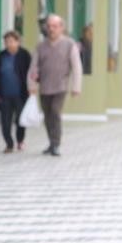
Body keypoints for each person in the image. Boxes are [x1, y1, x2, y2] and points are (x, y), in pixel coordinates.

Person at [28, 14, 82, 156]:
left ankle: (56, 144)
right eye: (49, 26)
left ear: (61, 28)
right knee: (47, 115)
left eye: (55, 26)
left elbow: (76, 67)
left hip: (61, 86)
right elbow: (33, 67)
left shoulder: (70, 44)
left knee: (55, 112)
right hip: (45, 86)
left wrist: (76, 87)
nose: (51, 29)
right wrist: (31, 84)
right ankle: (51, 142)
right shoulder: (40, 46)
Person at [0, 30, 31, 153]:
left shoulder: (25, 55)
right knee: (5, 122)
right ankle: (9, 143)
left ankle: (20, 141)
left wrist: (31, 88)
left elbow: (30, 73)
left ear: (18, 42)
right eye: (6, 42)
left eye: (12, 41)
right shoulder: (1, 56)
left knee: (20, 120)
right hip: (4, 95)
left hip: (20, 94)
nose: (9, 44)